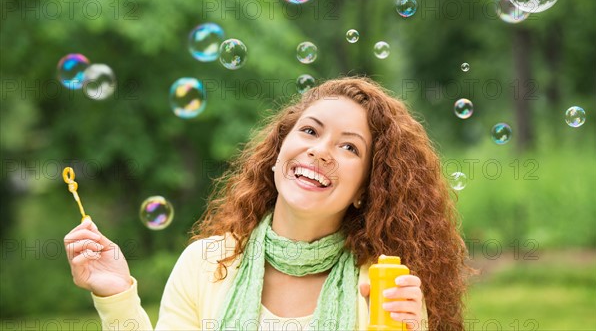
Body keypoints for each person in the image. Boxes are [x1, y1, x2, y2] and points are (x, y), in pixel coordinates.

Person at [64, 76, 471, 330]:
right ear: (278, 152)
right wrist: (117, 297)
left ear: (369, 186)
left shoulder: (382, 285)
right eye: (310, 131)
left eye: (349, 146)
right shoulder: (204, 264)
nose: (321, 151)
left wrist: (411, 327)